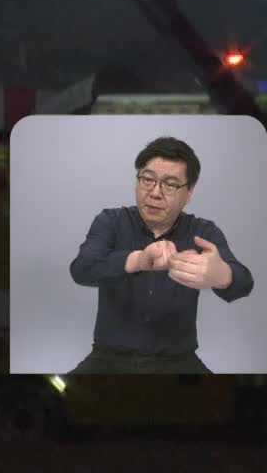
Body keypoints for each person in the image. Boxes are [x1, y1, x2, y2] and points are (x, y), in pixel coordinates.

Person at [66, 136, 254, 373]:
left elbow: (245, 283)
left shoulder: (202, 232)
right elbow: (81, 269)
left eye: (170, 184)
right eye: (147, 179)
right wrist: (138, 260)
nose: (155, 192)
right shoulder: (111, 221)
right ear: (137, 181)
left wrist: (222, 275)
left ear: (189, 193)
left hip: (179, 361)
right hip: (108, 358)